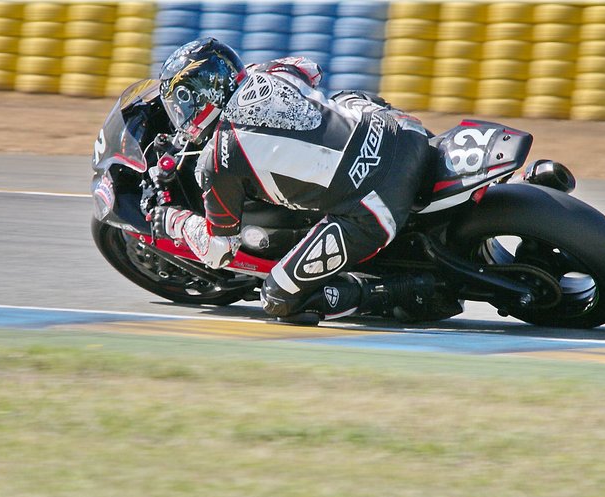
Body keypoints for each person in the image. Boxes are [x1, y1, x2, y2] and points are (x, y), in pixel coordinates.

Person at [152, 37, 439, 325]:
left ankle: (402, 292)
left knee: (278, 299)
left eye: (181, 103)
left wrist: (171, 220)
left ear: (202, 97)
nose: (180, 114)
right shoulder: (271, 71)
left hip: (377, 204)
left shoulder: (217, 160)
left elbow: (219, 252)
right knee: (341, 100)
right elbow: (310, 69)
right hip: (402, 130)